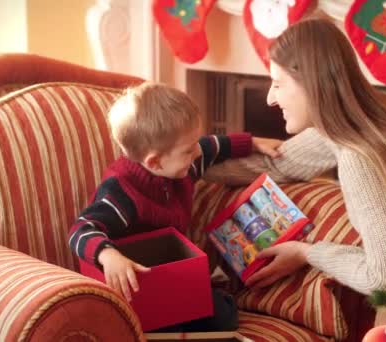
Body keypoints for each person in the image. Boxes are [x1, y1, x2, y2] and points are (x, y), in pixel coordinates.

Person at [204, 18, 386, 295]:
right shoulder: (370, 116)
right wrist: (191, 159)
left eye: (278, 84)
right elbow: (274, 163)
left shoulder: (359, 158)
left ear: (310, 85)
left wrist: (309, 253)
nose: (270, 99)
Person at [68, 82, 281, 331]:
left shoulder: (180, 165)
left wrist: (251, 143)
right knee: (207, 316)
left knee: (222, 315)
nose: (196, 154)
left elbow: (211, 147)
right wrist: (109, 255)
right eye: (189, 149)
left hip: (170, 274)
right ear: (155, 161)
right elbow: (80, 230)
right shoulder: (121, 191)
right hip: (135, 287)